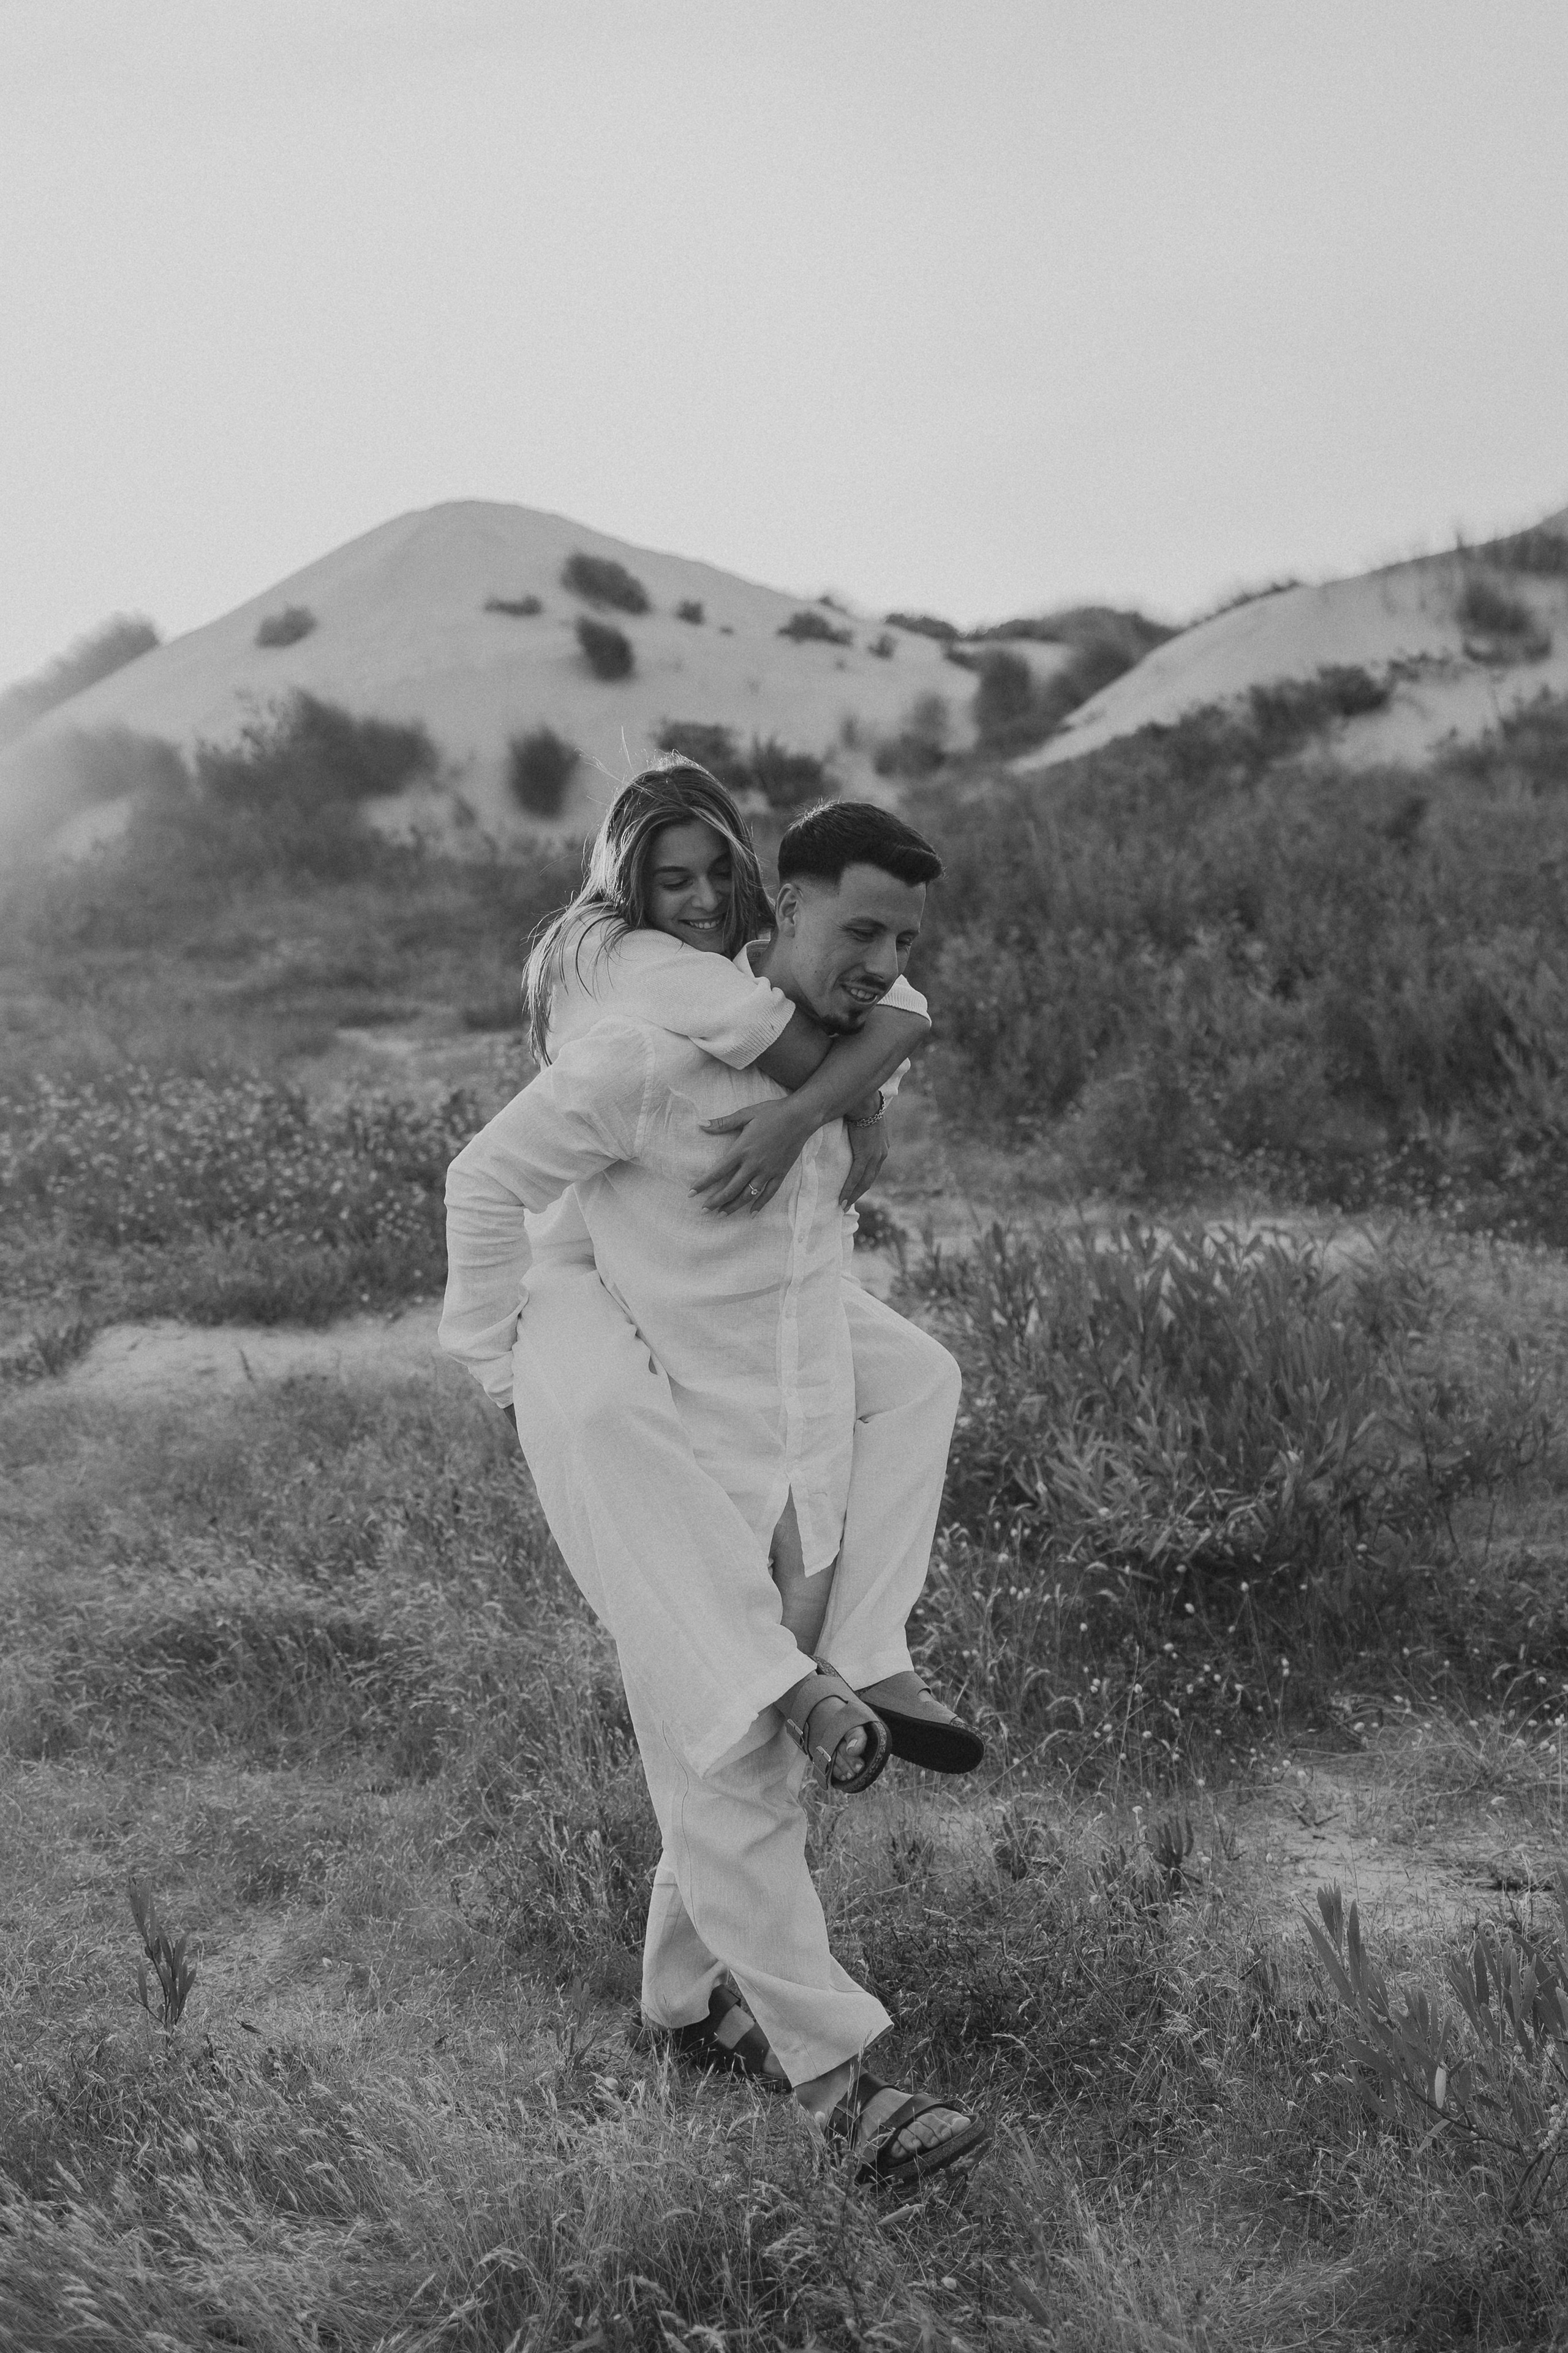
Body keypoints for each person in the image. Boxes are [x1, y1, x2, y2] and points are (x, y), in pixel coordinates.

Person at [440, 790, 989, 2187]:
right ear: (786, 908)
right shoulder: (645, 1057)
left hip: (807, 1461)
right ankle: (841, 2093)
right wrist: (500, 1368)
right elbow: (484, 1179)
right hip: (690, 1479)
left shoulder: (845, 1050)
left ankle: (681, 2004)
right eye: (857, 932)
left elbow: (889, 1035)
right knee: (738, 1769)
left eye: (901, 939)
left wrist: (837, 1107)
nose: (880, 962)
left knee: (737, 1774)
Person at [501, 763, 981, 1785]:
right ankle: (772, 1677)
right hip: (587, 1258)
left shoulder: (765, 953)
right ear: (631, 883)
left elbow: (904, 1009)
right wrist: (837, 1102)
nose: (705, 899)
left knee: (921, 1377)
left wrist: (832, 1106)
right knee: (623, 1433)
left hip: (719, 1262)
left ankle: (868, 1652)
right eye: (675, 879)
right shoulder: (620, 956)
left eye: (722, 873)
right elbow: (779, 1029)